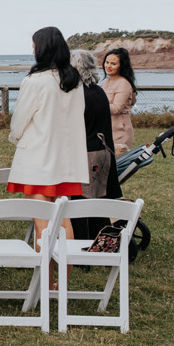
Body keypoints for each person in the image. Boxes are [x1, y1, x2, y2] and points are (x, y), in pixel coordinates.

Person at [7, 26, 89, 285]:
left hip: (39, 160)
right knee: (64, 222)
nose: (32, 50)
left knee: (42, 224)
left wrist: (16, 138)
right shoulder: (74, 80)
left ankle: (47, 283)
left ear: (42, 49)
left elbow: (19, 119)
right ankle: (61, 283)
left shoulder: (35, 81)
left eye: (34, 45)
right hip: (67, 161)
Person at [71, 49, 123, 240]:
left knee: (80, 203)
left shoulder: (79, 95)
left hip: (87, 153)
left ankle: (82, 244)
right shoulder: (98, 91)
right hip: (103, 152)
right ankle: (101, 241)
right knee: (99, 202)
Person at [102, 47, 137, 156]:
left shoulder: (123, 83)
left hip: (120, 131)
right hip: (108, 129)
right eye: (107, 62)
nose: (108, 66)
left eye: (113, 64)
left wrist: (96, 104)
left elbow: (117, 108)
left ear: (121, 66)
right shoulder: (105, 82)